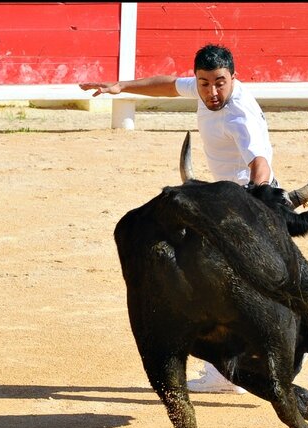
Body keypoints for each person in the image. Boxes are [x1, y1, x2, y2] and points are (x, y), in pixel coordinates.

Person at [80, 44, 281, 394]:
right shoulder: (204, 90)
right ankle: (229, 369)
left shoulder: (239, 115)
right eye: (204, 83)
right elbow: (169, 84)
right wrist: (121, 86)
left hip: (244, 208)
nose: (212, 92)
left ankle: (241, 366)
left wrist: (257, 201)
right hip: (222, 205)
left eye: (220, 83)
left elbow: (259, 161)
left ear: (234, 78)